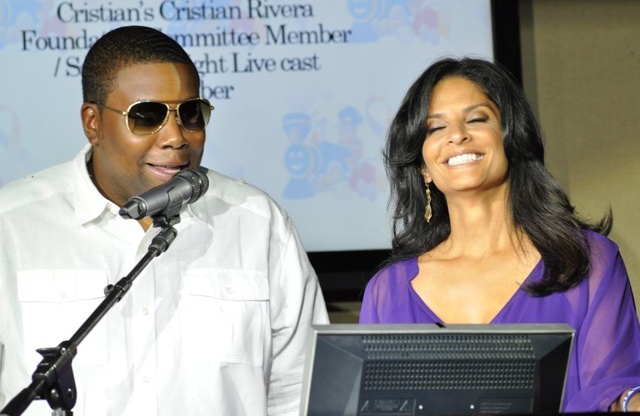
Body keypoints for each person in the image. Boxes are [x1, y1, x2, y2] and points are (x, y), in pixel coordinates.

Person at [0, 25, 329, 416]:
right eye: (147, 116)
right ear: (92, 122)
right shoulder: (13, 225)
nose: (176, 136)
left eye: (191, 114)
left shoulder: (257, 223)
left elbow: (301, 393)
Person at [359, 57, 640, 412]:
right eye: (435, 128)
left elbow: (612, 389)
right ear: (423, 167)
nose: (457, 135)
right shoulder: (387, 292)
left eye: (476, 119)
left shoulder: (588, 261)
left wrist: (628, 401)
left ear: (511, 138)